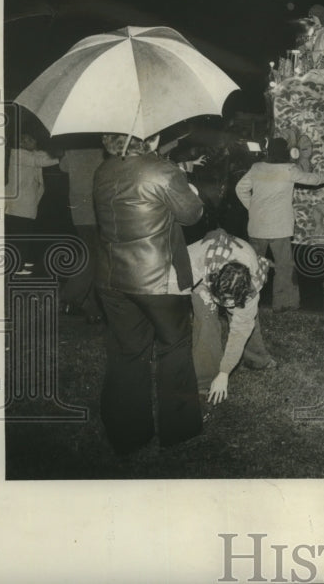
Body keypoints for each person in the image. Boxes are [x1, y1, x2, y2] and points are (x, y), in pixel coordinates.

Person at [93, 132, 205, 455]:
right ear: (151, 138)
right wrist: (191, 189)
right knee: (175, 345)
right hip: (158, 278)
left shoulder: (104, 170)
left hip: (112, 278)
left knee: (128, 352)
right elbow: (192, 214)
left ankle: (128, 434)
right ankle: (179, 430)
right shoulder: (162, 170)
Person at [235, 137, 324, 312]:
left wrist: (252, 208)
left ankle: (245, 299)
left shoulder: (256, 168)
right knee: (284, 266)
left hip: (257, 226)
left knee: (252, 264)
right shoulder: (289, 169)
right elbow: (313, 180)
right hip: (279, 228)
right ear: (285, 152)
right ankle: (284, 303)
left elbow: (240, 189)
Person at [188, 229, 276, 405]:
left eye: (231, 303)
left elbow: (240, 330)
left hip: (239, 266)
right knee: (206, 323)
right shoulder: (196, 259)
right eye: (224, 302)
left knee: (247, 322)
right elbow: (183, 279)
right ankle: (204, 381)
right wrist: (201, 291)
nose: (227, 307)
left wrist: (225, 372)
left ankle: (256, 359)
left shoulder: (252, 284)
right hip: (200, 275)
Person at [58, 147, 105, 321]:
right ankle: (70, 297)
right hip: (96, 207)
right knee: (94, 255)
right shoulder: (101, 151)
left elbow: (63, 167)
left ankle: (91, 307)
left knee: (91, 253)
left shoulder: (72, 150)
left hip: (78, 209)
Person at [5, 132, 60, 276]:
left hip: (26, 202)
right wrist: (61, 156)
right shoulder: (17, 154)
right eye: (29, 139)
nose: (33, 140)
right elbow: (41, 161)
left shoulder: (29, 153)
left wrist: (53, 153)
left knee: (25, 232)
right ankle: (16, 267)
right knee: (20, 234)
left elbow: (40, 155)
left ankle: (22, 260)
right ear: (21, 143)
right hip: (18, 203)